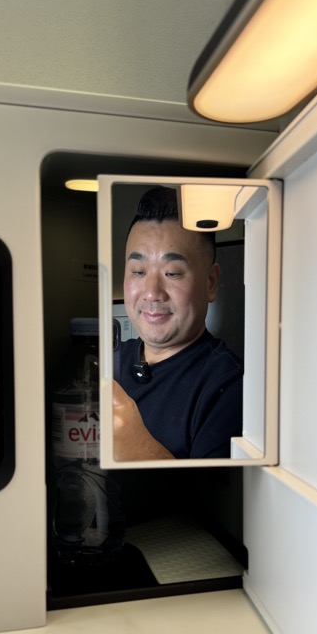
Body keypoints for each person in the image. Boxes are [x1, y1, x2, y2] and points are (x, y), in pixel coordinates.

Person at [113, 186, 243, 460]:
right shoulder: (109, 361)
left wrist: (140, 449)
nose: (152, 293)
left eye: (172, 273)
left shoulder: (229, 386)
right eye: (138, 271)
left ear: (211, 282)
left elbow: (214, 490)